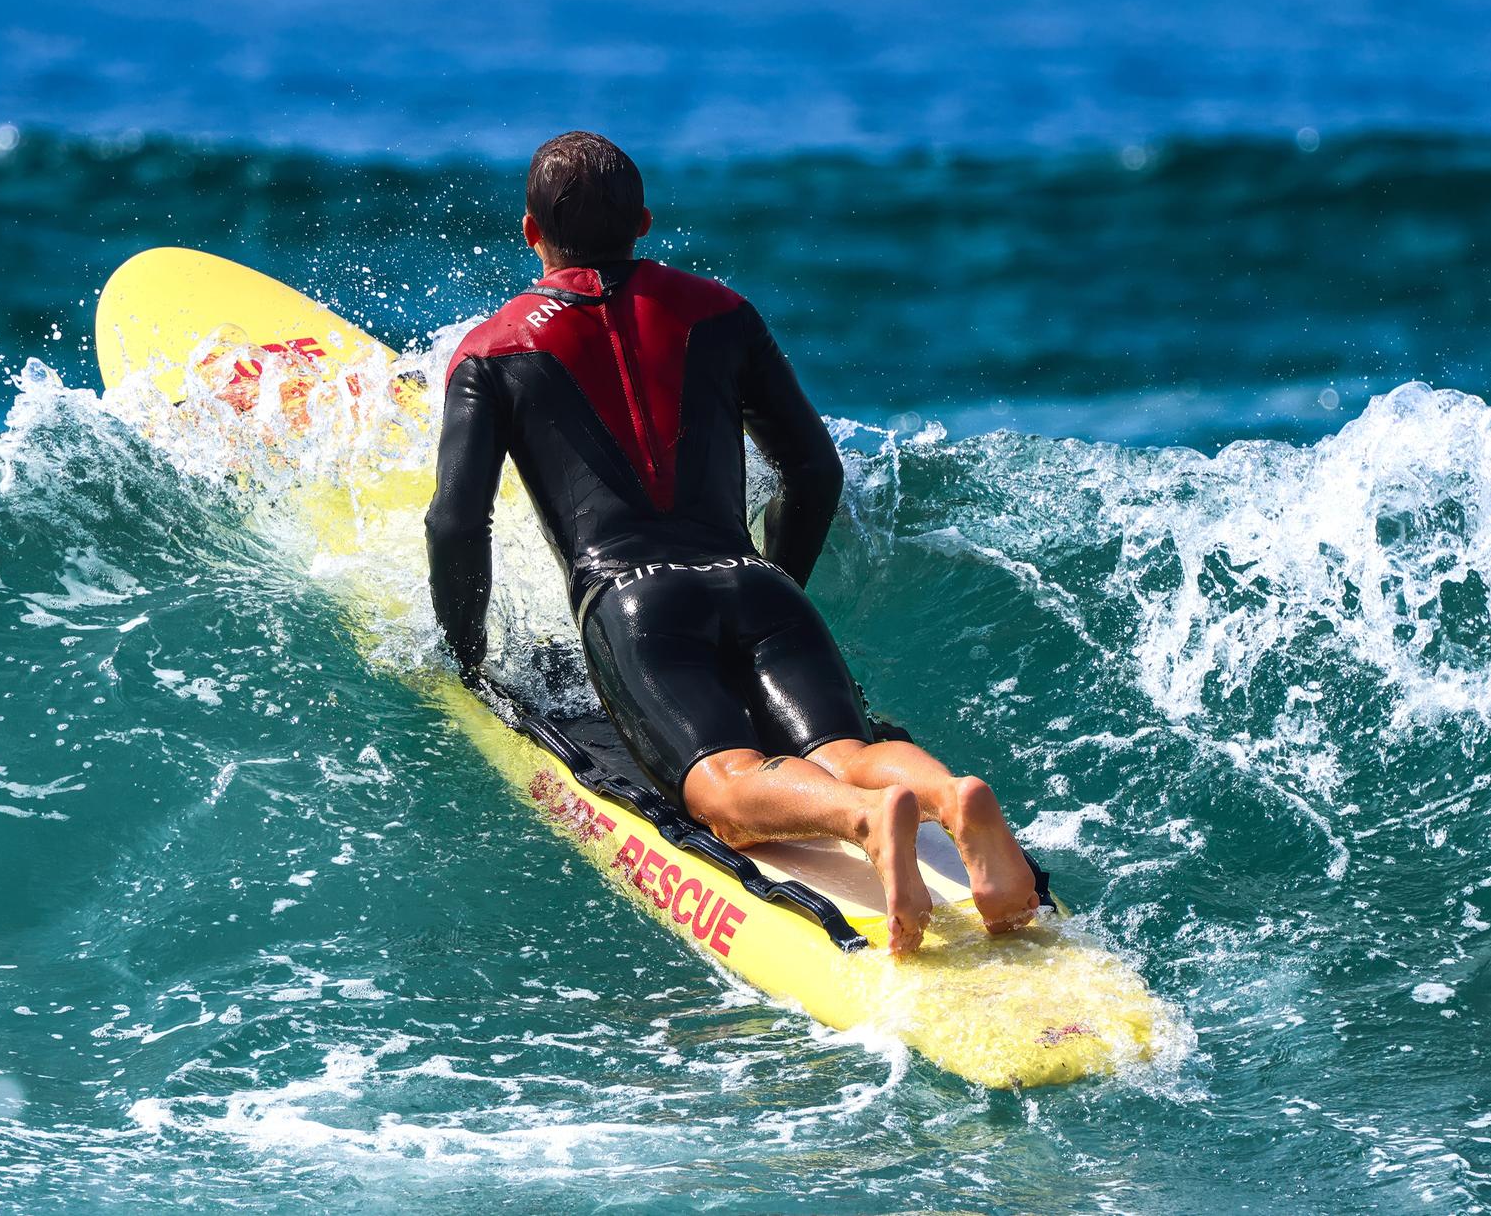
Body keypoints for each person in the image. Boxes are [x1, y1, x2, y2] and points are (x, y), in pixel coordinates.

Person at [424, 132, 1039, 954]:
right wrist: (773, 587)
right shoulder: (720, 310)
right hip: (753, 580)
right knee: (843, 747)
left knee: (722, 786)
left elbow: (456, 523)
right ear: (644, 222)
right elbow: (813, 470)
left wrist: (466, 659)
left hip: (635, 602)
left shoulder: (493, 349)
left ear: (531, 231)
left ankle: (861, 819)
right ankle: (950, 795)